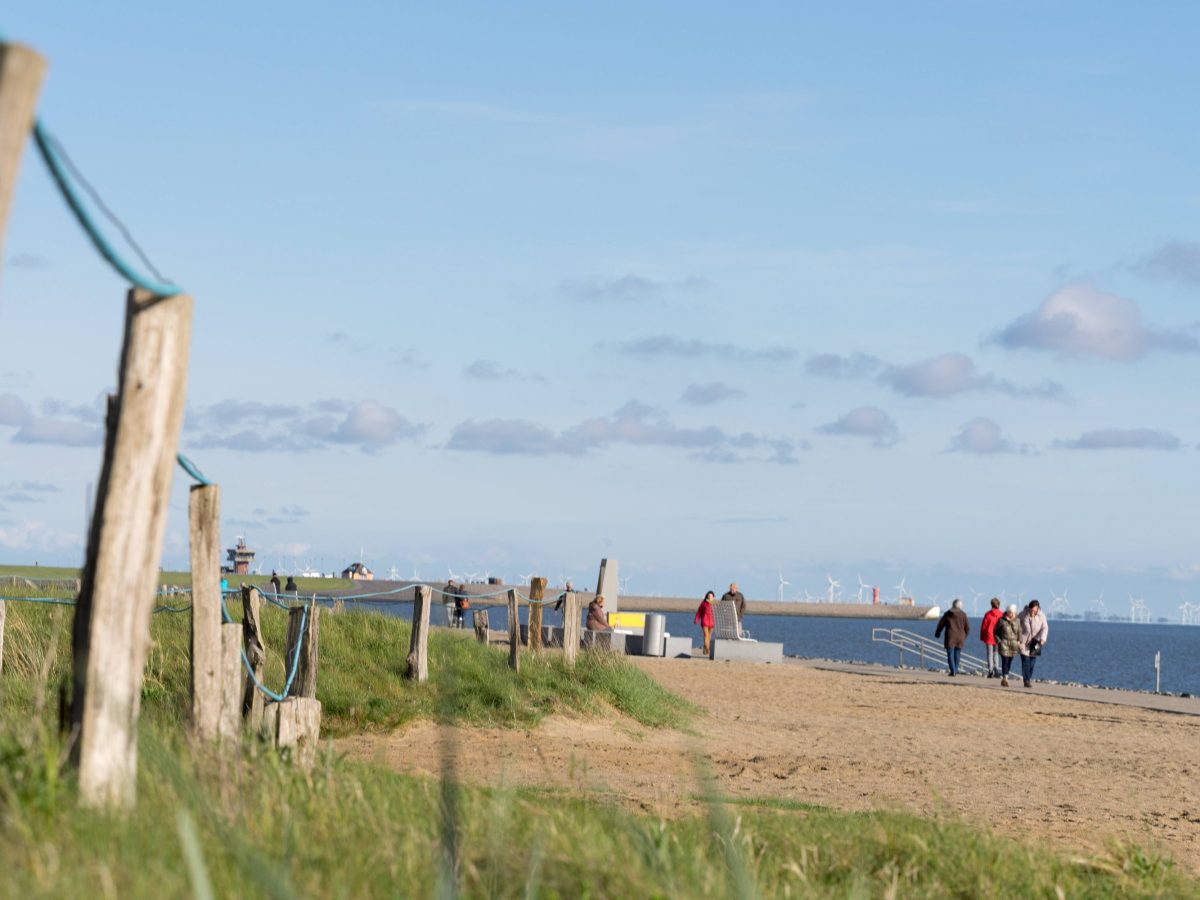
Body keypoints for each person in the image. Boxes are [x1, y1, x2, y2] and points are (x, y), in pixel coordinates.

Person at [934, 598, 970, 676]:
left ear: (953, 605)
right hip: (960, 637)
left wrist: (937, 633)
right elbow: (967, 628)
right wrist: (964, 636)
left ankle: (953, 671)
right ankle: (955, 670)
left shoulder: (947, 613)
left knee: (950, 654)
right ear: (960, 606)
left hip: (950, 636)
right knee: (957, 654)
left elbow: (941, 624)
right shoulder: (963, 614)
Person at [1018, 599, 1049, 688]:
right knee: (1025, 661)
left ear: (1038, 608)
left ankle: (1028, 678)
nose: (1033, 610)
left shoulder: (1041, 616)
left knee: (1032, 662)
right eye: (1031, 609)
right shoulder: (1023, 614)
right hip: (1023, 641)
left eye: (1034, 609)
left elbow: (1045, 627)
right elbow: (1016, 624)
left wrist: (1042, 639)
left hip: (1036, 641)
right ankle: (1026, 681)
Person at [993, 604, 1021, 687]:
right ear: (1007, 612)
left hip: (1013, 645)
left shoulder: (1017, 620)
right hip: (1004, 644)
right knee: (1005, 661)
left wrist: (1019, 640)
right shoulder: (1001, 620)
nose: (1011, 614)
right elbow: (995, 631)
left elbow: (1020, 631)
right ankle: (1005, 677)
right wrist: (999, 641)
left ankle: (1006, 675)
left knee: (1009, 662)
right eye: (1010, 612)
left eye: (1013, 613)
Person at [980, 597, 1003, 677]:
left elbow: (984, 626)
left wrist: (982, 636)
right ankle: (996, 669)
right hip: (998, 637)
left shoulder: (988, 614)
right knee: (996, 653)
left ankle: (990, 670)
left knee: (989, 654)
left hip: (989, 636)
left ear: (991, 604)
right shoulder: (1001, 614)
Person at [694, 590, 716, 654]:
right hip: (705, 621)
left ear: (713, 597)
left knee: (709, 636)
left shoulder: (714, 604)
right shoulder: (704, 603)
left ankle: (704, 649)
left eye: (711, 595)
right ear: (707, 596)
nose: (710, 596)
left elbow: (717, 613)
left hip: (712, 622)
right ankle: (707, 649)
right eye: (709, 595)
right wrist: (696, 619)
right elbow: (699, 612)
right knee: (706, 635)